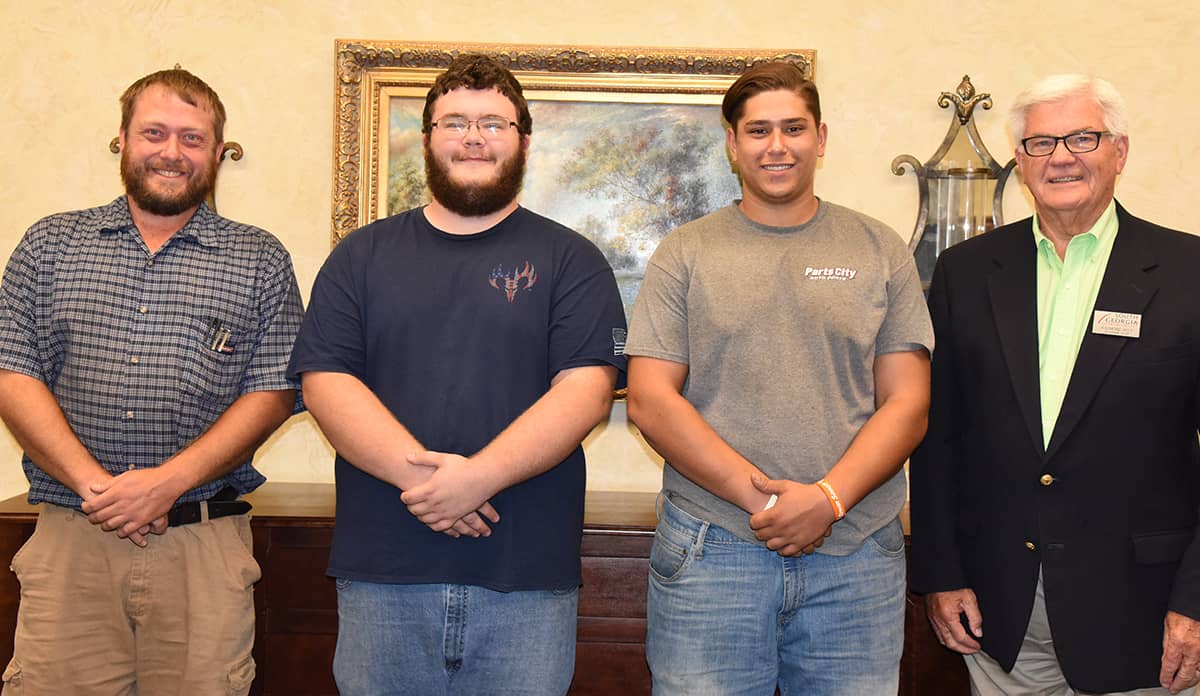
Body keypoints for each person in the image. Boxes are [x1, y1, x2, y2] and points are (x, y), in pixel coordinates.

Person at [287, 54, 626, 696]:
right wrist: (433, 484)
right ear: (427, 139)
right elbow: (326, 383)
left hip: (526, 575)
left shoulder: (573, 261)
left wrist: (478, 480)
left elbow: (585, 390)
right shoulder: (360, 256)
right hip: (384, 570)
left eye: (494, 122)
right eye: (455, 122)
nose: (474, 136)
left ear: (524, 140)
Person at [624, 61, 932, 694]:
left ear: (821, 137)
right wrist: (766, 504)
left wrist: (827, 500)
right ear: (733, 145)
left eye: (793, 128)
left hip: (857, 553)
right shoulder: (685, 253)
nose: (777, 146)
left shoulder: (879, 249)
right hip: (713, 549)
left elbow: (908, 403)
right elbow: (651, 401)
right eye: (758, 131)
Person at [0, 68, 304, 695]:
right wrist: (102, 490)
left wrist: (165, 485)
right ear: (122, 139)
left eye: (192, 139)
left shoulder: (260, 258)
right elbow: (11, 371)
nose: (171, 152)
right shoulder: (49, 245)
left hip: (203, 546)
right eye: (155, 133)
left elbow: (275, 390)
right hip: (72, 537)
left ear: (218, 151)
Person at [909, 74, 1200, 695]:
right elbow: (938, 437)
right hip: (1001, 613)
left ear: (1119, 151)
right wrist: (940, 572)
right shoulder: (967, 273)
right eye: (1040, 143)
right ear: (1019, 161)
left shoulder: (1189, 273)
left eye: (1082, 138)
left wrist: (1197, 601)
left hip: (1146, 616)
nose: (1060, 156)